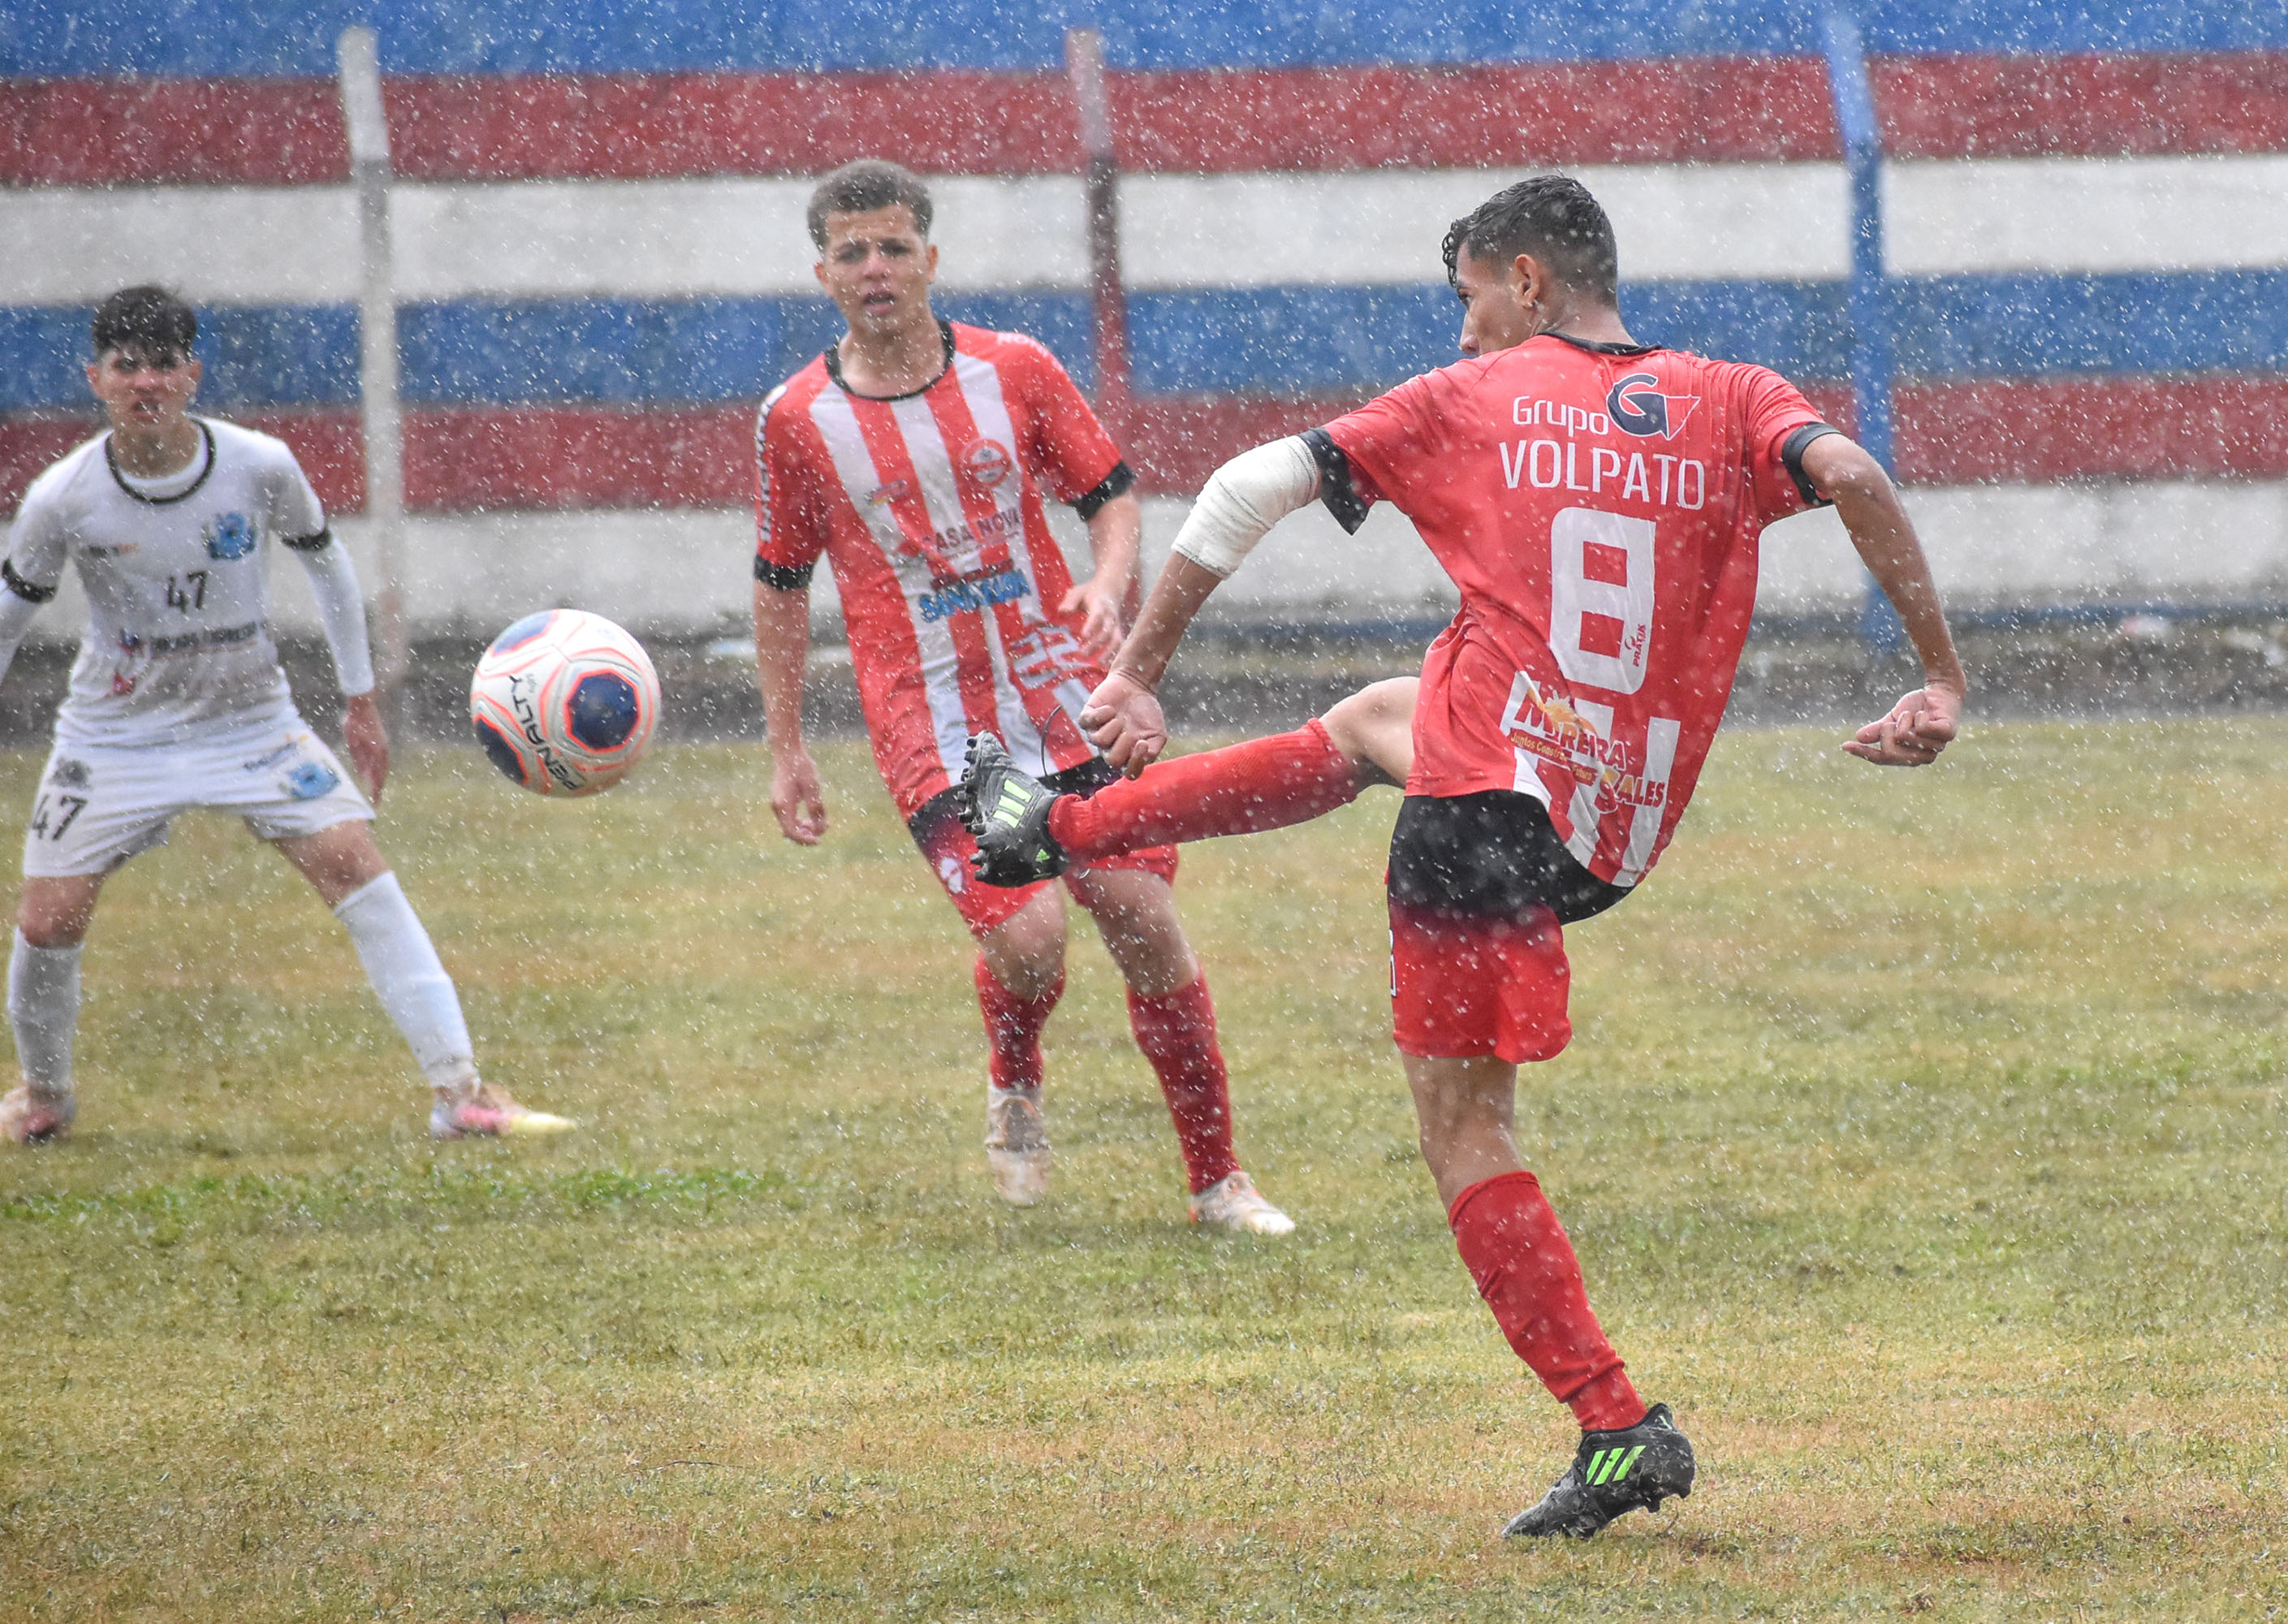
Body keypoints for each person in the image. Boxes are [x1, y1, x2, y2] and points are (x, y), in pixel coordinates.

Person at [961, 176, 1966, 1535]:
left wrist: (1140, 672)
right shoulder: (1732, 396)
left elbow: (1252, 484)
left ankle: (1618, 1427)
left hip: (1487, 816)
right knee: (1386, 716)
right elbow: (1849, 473)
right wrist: (1940, 676)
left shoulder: (1471, 399)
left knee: (1465, 1129)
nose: (1470, 326)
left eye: (1473, 297)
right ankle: (1061, 823)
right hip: (1610, 822)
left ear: (1530, 282)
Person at [749, 160, 1292, 1233]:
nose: (875, 268)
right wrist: (786, 747)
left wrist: (1103, 580)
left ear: (930, 260)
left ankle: (1218, 1184)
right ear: (822, 273)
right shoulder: (799, 419)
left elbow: (1113, 495)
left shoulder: (1017, 370)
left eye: (894, 246)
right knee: (1033, 935)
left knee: (1143, 917)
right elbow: (778, 583)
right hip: (950, 736)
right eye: (852, 252)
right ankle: (1016, 1076)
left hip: (1064, 700)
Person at [0, 286, 569, 1145]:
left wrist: (360, 700)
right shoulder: (63, 497)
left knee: (352, 863)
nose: (146, 382)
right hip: (116, 731)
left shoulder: (258, 465)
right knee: (47, 917)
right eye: (127, 366)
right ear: (95, 378)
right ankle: (42, 1098)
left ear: (192, 373)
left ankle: (463, 1093)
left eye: (164, 364)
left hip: (251, 718)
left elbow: (326, 566)